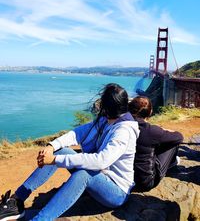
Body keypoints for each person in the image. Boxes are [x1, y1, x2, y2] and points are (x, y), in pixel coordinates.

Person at [0, 83, 140, 221]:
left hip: (116, 192)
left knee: (83, 174)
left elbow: (100, 161)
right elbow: (78, 133)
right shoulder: (108, 120)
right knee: (63, 151)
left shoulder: (124, 131)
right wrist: (52, 146)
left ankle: (41, 219)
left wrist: (55, 160)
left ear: (108, 107)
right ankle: (16, 201)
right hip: (101, 178)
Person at [128, 96, 183, 192]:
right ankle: (172, 163)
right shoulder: (152, 131)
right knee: (172, 143)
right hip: (146, 183)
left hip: (126, 180)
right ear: (150, 112)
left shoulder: (122, 127)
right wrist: (164, 130)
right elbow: (179, 137)